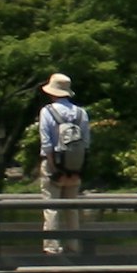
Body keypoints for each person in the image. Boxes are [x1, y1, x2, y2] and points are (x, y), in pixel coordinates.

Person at [28, 71, 92, 254]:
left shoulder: (47, 112)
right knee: (72, 208)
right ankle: (74, 245)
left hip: (53, 165)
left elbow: (46, 144)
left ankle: (52, 247)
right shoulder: (81, 113)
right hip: (74, 167)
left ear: (51, 92)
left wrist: (54, 167)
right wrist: (78, 168)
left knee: (51, 207)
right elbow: (86, 143)